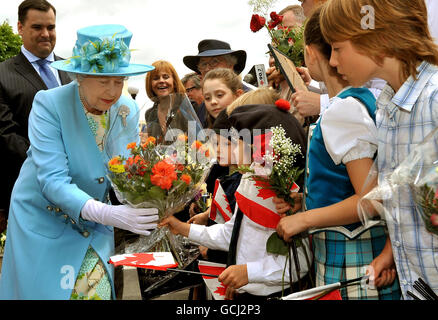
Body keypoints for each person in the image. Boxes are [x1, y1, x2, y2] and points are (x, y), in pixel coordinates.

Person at [0, 24, 158, 300]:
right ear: (80, 76)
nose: (112, 90)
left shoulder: (127, 108)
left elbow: (126, 168)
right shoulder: (48, 104)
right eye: (102, 79)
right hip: (44, 218)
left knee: (96, 292)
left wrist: (153, 196)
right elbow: (52, 180)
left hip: (95, 227)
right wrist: (108, 214)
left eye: (119, 80)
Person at [275, 6, 401, 300]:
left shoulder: (342, 109)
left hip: (351, 254)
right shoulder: (356, 100)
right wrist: (305, 200)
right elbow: (346, 183)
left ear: (309, 53)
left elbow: (370, 201)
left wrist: (305, 219)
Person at [319, 0, 438, 300]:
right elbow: (405, 201)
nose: (332, 61)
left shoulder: (434, 100)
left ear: (375, 36)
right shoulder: (385, 108)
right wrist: (393, 252)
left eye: (337, 47)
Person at [161, 98, 311, 301]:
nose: (229, 149)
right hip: (245, 291)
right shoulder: (249, 181)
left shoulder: (286, 197)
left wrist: (249, 272)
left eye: (235, 143)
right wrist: (182, 229)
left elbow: (299, 263)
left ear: (258, 149)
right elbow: (232, 233)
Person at [0, 0, 71, 233]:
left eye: (51, 27)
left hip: (81, 190)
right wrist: (50, 168)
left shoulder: (74, 70)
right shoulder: (3, 74)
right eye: (37, 27)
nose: (46, 34)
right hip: (29, 189)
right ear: (20, 28)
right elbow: (5, 134)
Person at [183, 39, 249, 127]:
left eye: (214, 62)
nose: (207, 68)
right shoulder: (202, 108)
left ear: (231, 65)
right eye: (203, 64)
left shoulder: (250, 99)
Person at [143, 60, 188, 142]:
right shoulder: (149, 114)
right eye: (156, 78)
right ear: (150, 84)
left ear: (174, 81)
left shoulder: (187, 106)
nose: (161, 81)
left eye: (166, 77)